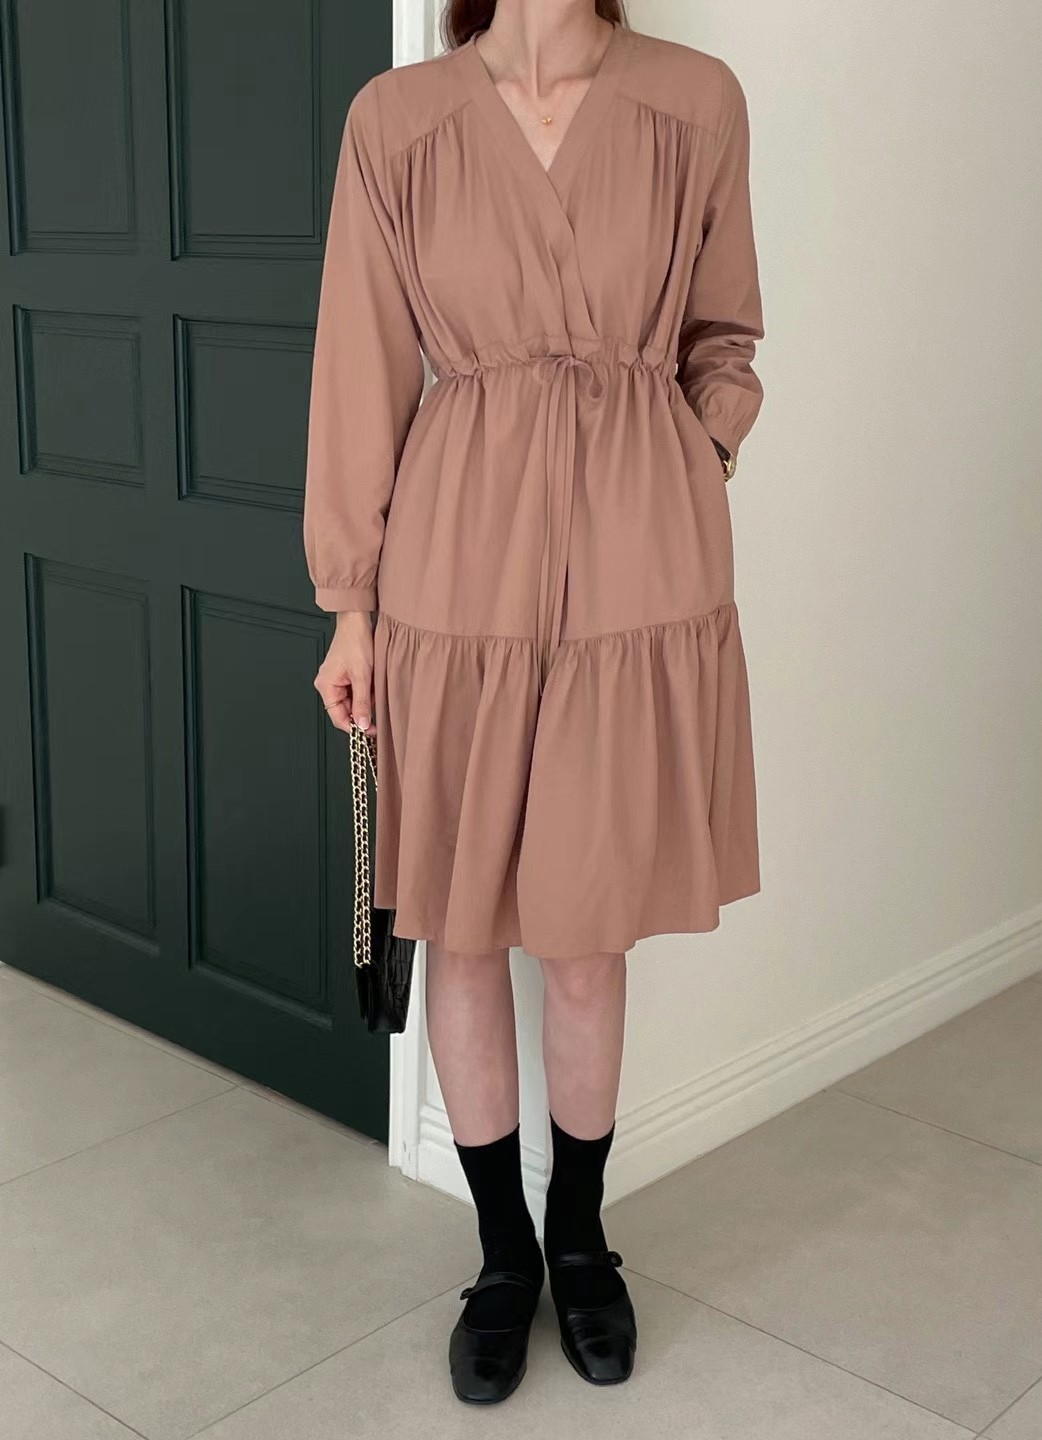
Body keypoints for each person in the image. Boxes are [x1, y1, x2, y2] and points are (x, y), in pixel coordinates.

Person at [303, 0, 765, 1406]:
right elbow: (361, 367)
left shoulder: (695, 99)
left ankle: (581, 1239)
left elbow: (726, 333)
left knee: (584, 932)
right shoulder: (398, 121)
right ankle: (502, 1257)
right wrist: (351, 602)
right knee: (459, 925)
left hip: (638, 565)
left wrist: (690, 462)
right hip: (456, 563)